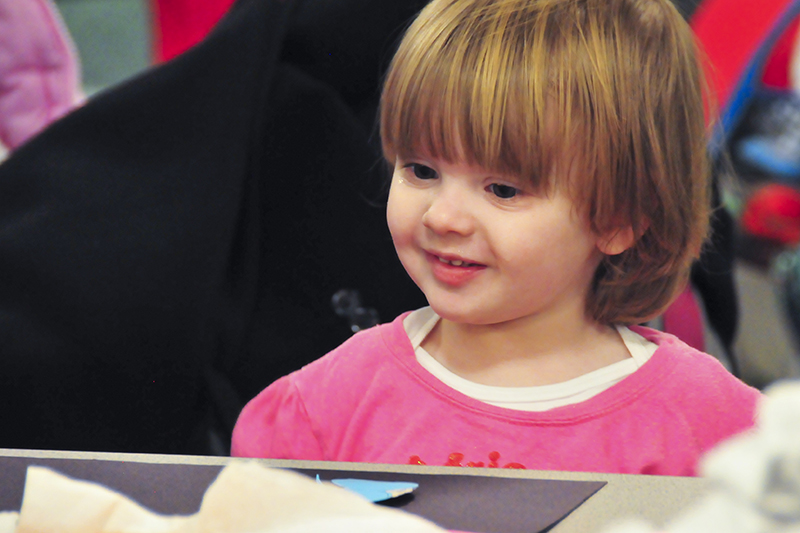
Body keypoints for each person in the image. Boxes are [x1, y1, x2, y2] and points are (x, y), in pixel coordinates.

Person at [231, 0, 762, 476]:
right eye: (421, 170)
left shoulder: (713, 428)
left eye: (503, 189)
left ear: (619, 218)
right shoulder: (322, 411)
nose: (443, 217)